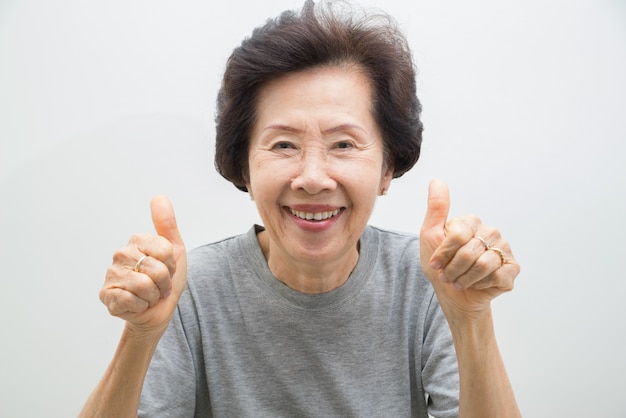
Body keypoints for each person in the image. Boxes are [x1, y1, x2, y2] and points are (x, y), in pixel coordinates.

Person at [81, 1, 521, 416]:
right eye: (284, 144)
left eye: (344, 144)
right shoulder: (188, 289)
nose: (312, 177)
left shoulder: (429, 280)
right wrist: (140, 336)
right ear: (244, 168)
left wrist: (471, 319)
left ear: (387, 168)